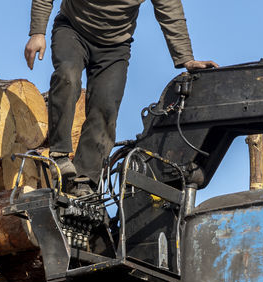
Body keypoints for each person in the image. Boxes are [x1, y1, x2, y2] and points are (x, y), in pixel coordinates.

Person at [25, 0, 217, 192]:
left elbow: (170, 10)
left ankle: (84, 181)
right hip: (72, 29)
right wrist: (37, 32)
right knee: (68, 77)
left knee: (106, 106)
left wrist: (187, 59)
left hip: (115, 47)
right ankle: (59, 156)